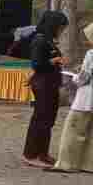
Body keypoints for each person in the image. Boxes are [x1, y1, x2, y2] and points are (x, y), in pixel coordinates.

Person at [47, 18, 93, 174]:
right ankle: (90, 164)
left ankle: (67, 163)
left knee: (74, 130)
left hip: (87, 97)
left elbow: (84, 77)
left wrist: (75, 78)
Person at [22, 10, 68, 167]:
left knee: (48, 120)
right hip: (43, 85)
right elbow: (36, 63)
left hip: (51, 83)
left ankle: (43, 153)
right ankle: (30, 154)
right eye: (60, 27)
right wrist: (53, 61)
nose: (61, 31)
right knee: (40, 119)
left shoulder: (49, 41)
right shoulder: (39, 40)